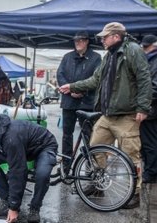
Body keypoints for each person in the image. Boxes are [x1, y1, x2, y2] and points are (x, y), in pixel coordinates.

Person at [60, 22, 152, 209]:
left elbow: (144, 79)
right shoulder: (108, 56)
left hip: (127, 115)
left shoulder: (132, 51)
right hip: (107, 115)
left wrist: (143, 107)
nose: (101, 40)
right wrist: (72, 86)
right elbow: (95, 80)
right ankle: (98, 185)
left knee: (131, 155)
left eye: (105, 37)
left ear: (116, 37)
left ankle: (134, 194)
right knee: (94, 149)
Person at [56, 31, 101, 170]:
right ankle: (66, 165)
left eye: (81, 40)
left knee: (88, 135)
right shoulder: (67, 57)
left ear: (87, 41)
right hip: (69, 102)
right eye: (76, 41)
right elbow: (60, 75)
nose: (78, 43)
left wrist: (81, 91)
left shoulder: (96, 58)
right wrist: (70, 90)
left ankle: (90, 165)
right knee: (66, 135)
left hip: (86, 102)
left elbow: (97, 79)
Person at [140, 34, 157, 184]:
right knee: (148, 142)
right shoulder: (150, 60)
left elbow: (154, 88)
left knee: (150, 142)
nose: (144, 49)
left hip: (151, 109)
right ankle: (150, 171)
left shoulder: (154, 61)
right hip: (150, 108)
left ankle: (151, 173)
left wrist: (143, 103)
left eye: (146, 46)